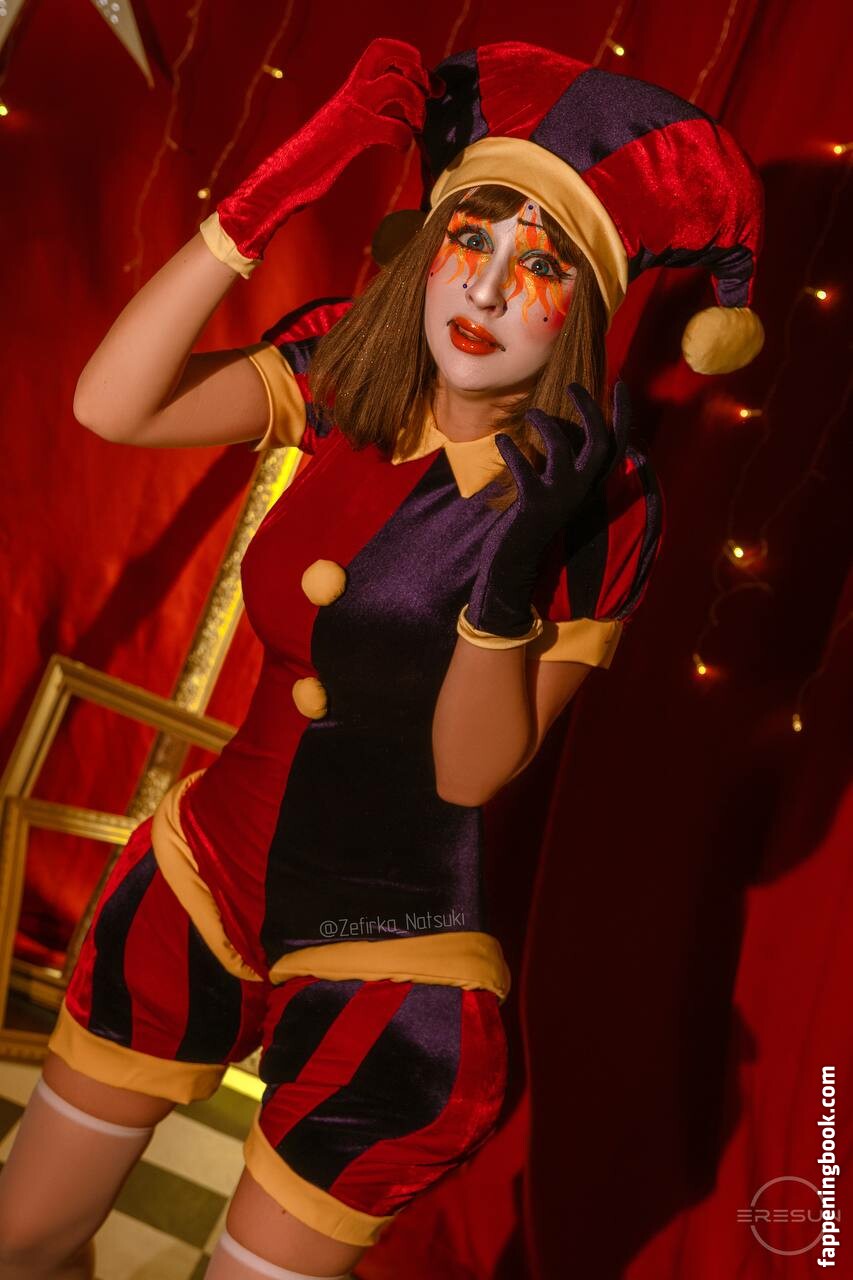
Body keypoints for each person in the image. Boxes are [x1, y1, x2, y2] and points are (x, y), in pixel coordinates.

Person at [0, 36, 763, 1280]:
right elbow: (109, 406)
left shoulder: (606, 503)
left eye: (540, 266)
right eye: (471, 240)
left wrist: (510, 568)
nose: (488, 290)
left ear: (587, 308)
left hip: (389, 962)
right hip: (198, 880)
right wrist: (264, 200)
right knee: (21, 1236)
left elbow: (470, 774)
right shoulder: (348, 369)